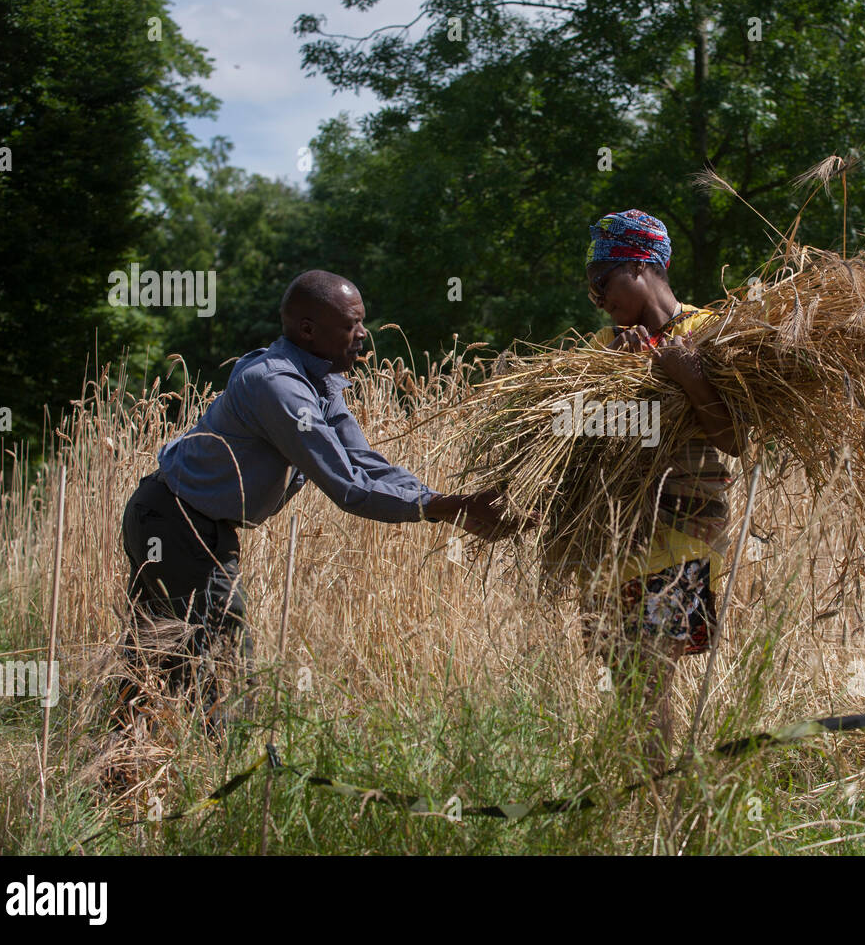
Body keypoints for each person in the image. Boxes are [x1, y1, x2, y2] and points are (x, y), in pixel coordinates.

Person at [118, 269, 509, 731]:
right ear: (308, 330)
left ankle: (131, 767)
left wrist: (444, 501)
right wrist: (447, 509)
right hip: (175, 522)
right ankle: (219, 771)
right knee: (220, 652)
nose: (363, 334)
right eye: (351, 324)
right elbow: (348, 486)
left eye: (362, 322)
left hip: (188, 522)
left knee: (161, 656)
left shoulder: (319, 381)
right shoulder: (277, 386)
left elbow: (364, 461)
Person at [579, 209, 745, 772]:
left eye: (604, 279)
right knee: (627, 679)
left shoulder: (710, 332)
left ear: (640, 266)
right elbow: (580, 434)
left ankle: (656, 803)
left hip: (683, 529)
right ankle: (643, 799)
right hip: (616, 533)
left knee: (648, 673)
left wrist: (689, 377)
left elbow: (736, 437)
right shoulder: (606, 345)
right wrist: (617, 383)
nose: (598, 296)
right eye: (591, 285)